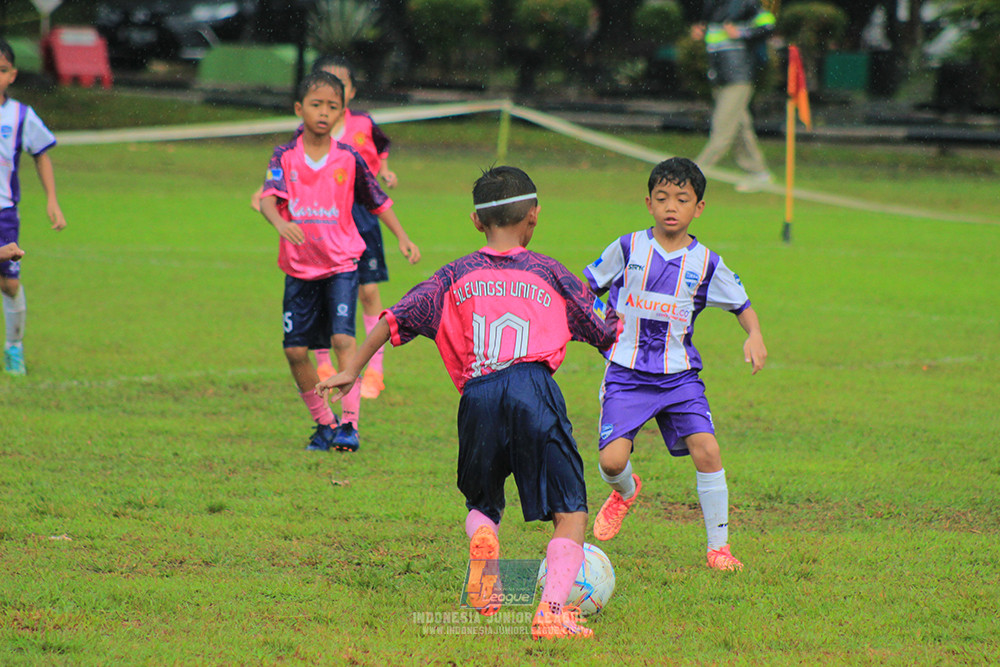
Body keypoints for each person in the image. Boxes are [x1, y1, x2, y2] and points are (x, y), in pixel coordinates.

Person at [316, 166, 616, 640]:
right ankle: (552, 612)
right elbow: (603, 330)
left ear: (476, 222)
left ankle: (487, 555)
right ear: (533, 217)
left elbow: (397, 316)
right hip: (533, 388)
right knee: (570, 510)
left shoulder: (454, 274)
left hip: (476, 396)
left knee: (482, 502)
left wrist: (352, 368)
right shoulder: (550, 272)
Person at [584, 157, 767, 571]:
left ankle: (718, 548)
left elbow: (742, 303)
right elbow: (586, 286)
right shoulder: (628, 247)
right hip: (626, 375)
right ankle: (626, 491)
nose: (672, 206)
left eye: (682, 199)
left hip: (679, 377)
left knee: (708, 450)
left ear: (698, 208)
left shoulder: (706, 263)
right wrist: (593, 320)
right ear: (648, 202)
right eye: (663, 198)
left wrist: (753, 333)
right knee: (611, 462)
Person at [258, 70, 418, 453]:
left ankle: (349, 425)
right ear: (299, 109)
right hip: (298, 268)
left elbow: (377, 199)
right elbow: (267, 197)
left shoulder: (348, 157)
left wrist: (402, 236)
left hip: (341, 264)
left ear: (342, 112)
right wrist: (280, 222)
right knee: (295, 351)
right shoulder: (285, 156)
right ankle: (323, 423)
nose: (324, 113)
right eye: (316, 105)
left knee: (344, 340)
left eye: (333, 106)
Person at [0, 39, 67, 376]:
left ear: (12, 74)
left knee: (9, 284)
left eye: (1, 70)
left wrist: (51, 200)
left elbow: (41, 155)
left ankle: (14, 347)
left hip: (4, 212)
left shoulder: (21, 116)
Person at [690, 0, 776, 193]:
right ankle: (759, 173)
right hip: (720, 77)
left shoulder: (745, 3)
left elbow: (768, 24)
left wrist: (742, 32)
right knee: (740, 127)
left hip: (738, 76)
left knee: (722, 129)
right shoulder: (712, 6)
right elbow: (713, 36)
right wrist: (700, 32)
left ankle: (692, 176)